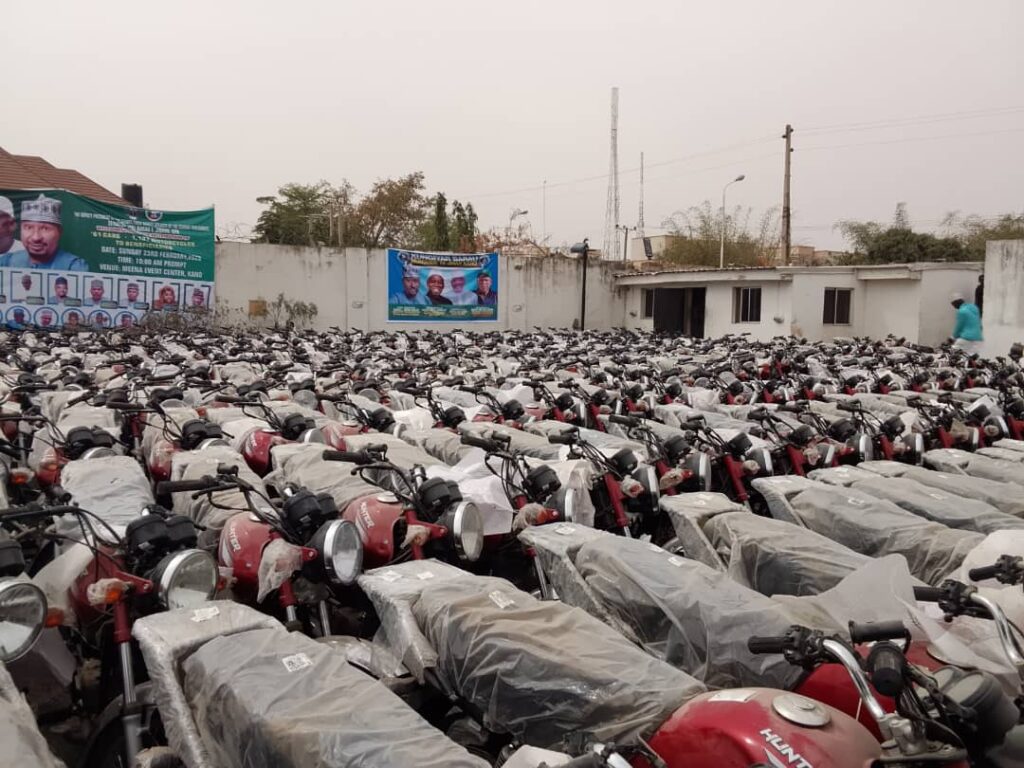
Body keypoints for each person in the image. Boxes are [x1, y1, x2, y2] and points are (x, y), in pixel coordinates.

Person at [0, 195, 87, 271]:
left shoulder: (73, 266)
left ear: (59, 232)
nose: (36, 237)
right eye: (28, 227)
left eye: (45, 229)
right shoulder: (7, 262)